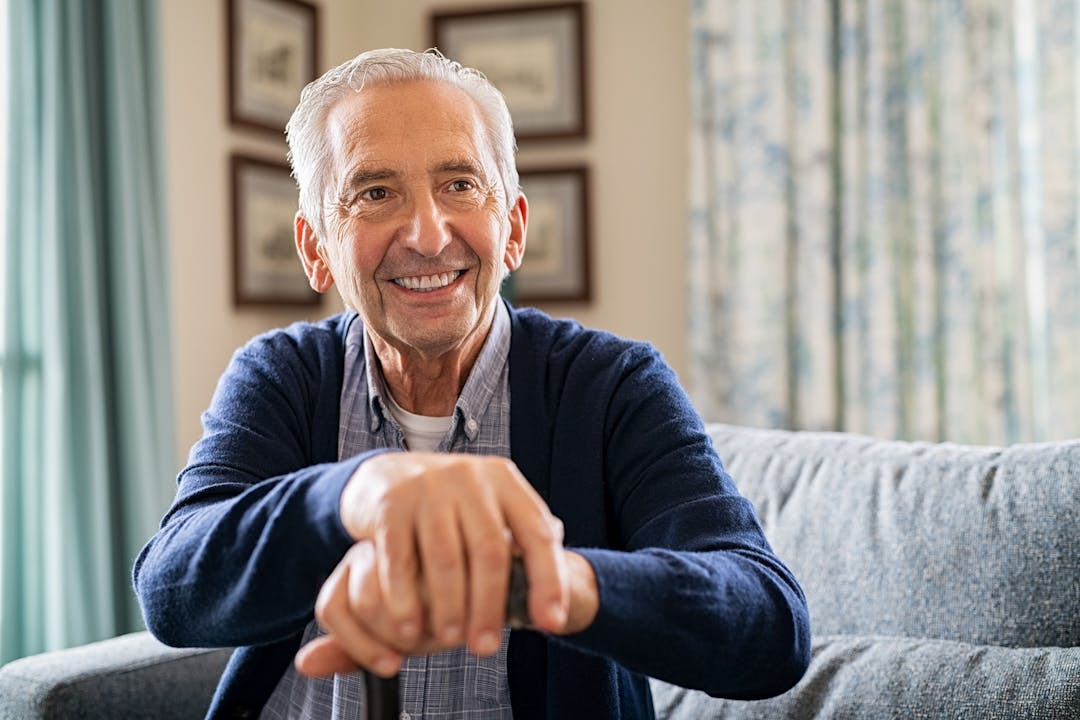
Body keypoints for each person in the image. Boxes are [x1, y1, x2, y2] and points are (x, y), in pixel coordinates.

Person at [133, 48, 810, 719]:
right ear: (316, 249)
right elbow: (173, 590)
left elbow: (769, 625)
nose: (428, 236)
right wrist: (355, 492)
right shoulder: (280, 374)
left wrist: (545, 582)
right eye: (375, 193)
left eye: (460, 184)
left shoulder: (612, 386)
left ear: (512, 230)